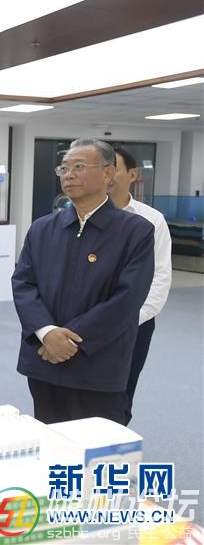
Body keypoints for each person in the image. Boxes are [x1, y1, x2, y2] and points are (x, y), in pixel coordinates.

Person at [12, 139, 154, 425]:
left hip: (98, 364)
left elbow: (127, 299)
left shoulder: (135, 231)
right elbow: (23, 283)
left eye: (79, 166)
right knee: (51, 440)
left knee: (97, 445)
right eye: (63, 168)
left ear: (107, 173)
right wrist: (47, 332)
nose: (69, 175)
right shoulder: (42, 229)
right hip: (44, 358)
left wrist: (71, 340)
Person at [110, 144, 171, 423]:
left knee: (121, 393)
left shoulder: (151, 220)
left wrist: (130, 319)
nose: (106, 175)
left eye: (113, 168)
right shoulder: (76, 217)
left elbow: (160, 277)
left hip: (135, 324)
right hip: (82, 323)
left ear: (132, 174)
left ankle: (115, 443)